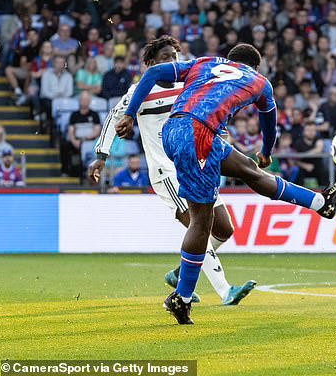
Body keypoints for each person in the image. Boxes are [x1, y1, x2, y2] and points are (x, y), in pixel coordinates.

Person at [114, 43, 336, 324]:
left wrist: (129, 113)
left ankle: (321, 203)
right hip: (197, 134)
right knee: (202, 221)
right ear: (256, 67)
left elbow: (153, 73)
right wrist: (267, 150)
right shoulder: (258, 81)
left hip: (178, 130)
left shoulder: (206, 62)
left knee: (249, 170)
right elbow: (269, 116)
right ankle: (182, 298)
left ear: (229, 60)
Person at [89, 36, 256, 307]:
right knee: (199, 226)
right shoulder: (139, 91)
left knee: (224, 229)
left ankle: (179, 274)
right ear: (152, 63)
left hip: (197, 165)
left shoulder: (188, 85)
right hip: (167, 173)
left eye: (175, 56)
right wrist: (101, 156)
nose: (173, 61)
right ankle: (225, 291)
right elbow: (113, 118)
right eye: (166, 57)